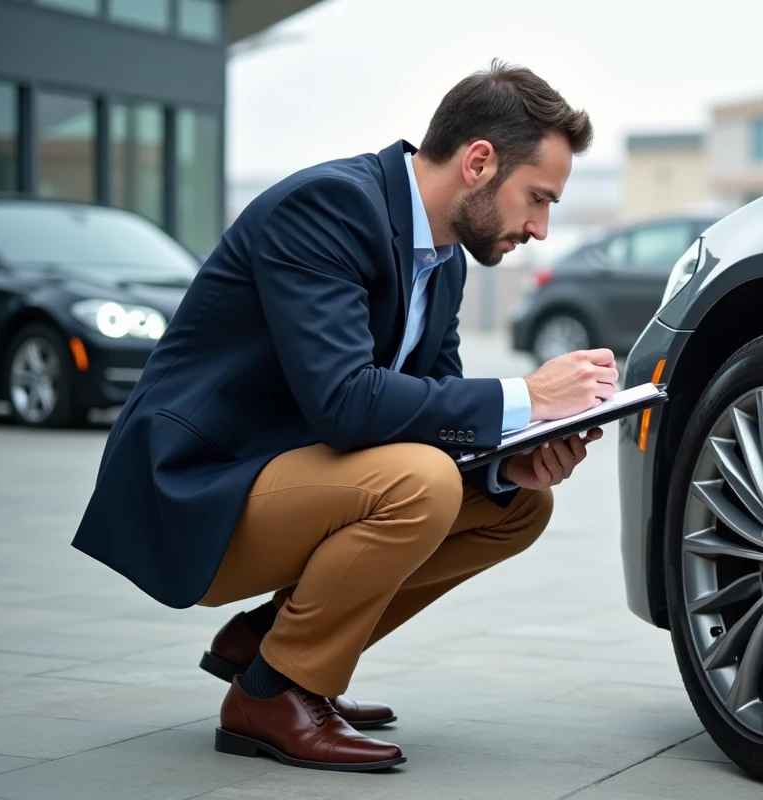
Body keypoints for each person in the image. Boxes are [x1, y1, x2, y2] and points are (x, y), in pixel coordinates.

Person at [71, 60, 615, 772]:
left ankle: (270, 641)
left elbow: (434, 409)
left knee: (517, 505)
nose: (541, 228)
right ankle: (272, 692)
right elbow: (345, 403)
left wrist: (510, 459)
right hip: (194, 489)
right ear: (480, 162)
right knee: (419, 483)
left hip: (287, 478)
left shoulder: (443, 260)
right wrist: (528, 397)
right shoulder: (329, 207)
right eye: (537, 198)